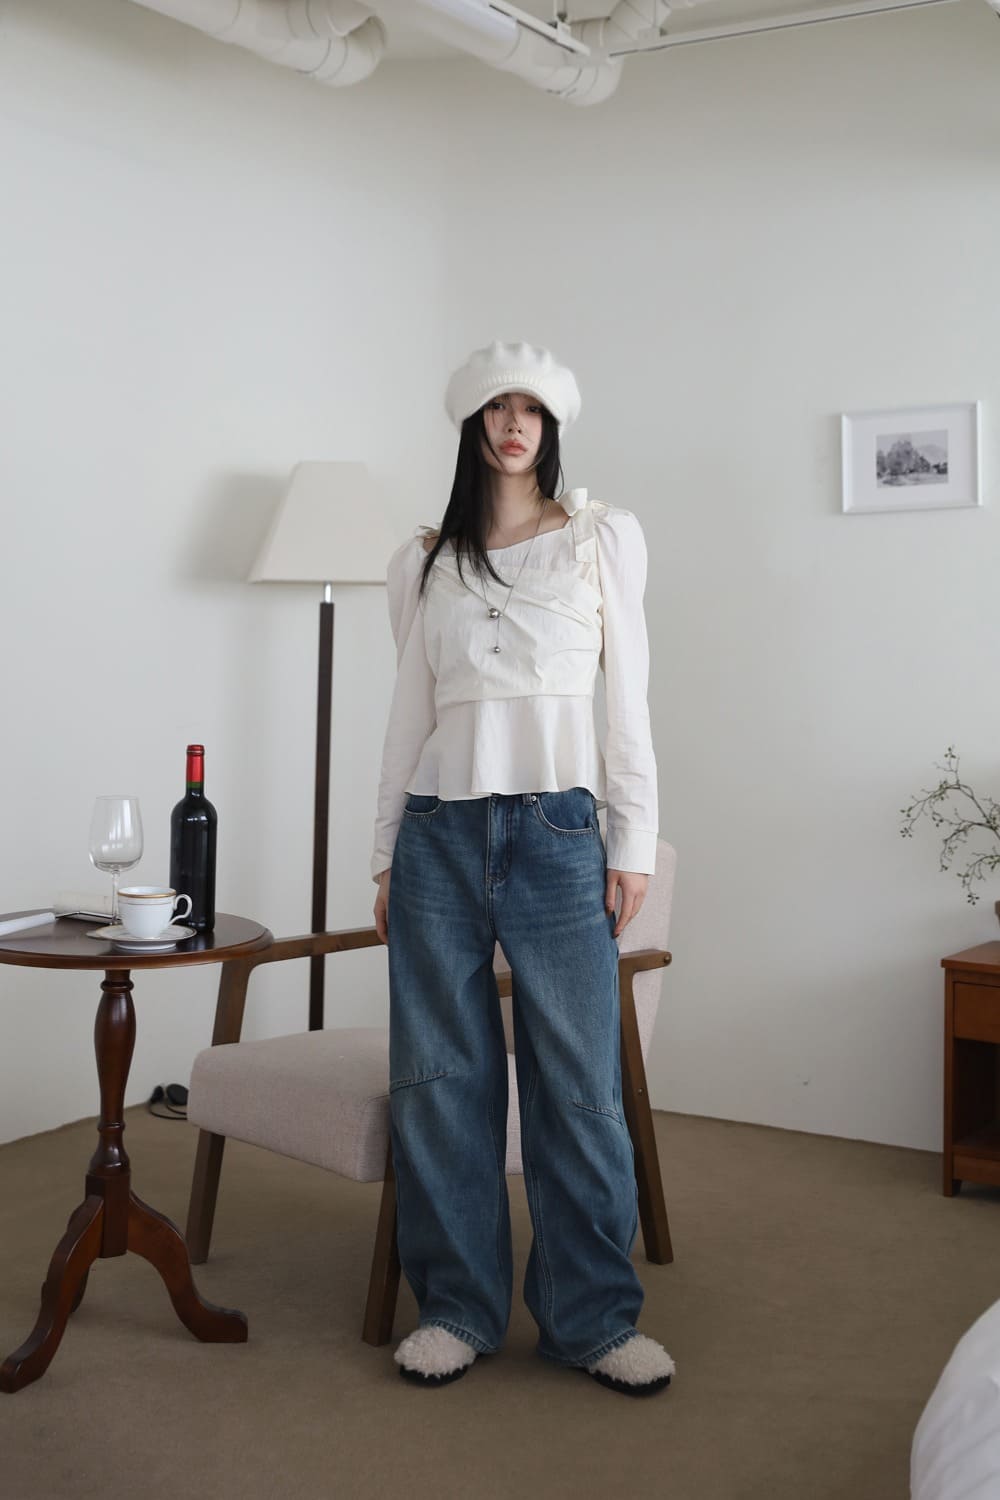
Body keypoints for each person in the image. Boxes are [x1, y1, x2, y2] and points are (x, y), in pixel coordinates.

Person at [369, 339, 674, 1397]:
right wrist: (383, 852)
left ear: (551, 428)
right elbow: (408, 716)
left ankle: (590, 1318)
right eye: (497, 409)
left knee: (578, 1083)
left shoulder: (599, 540)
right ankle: (456, 1308)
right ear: (473, 427)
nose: (513, 425)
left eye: (531, 410)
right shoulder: (424, 562)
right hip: (437, 836)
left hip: (557, 832)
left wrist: (630, 838)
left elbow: (626, 702)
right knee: (437, 1081)